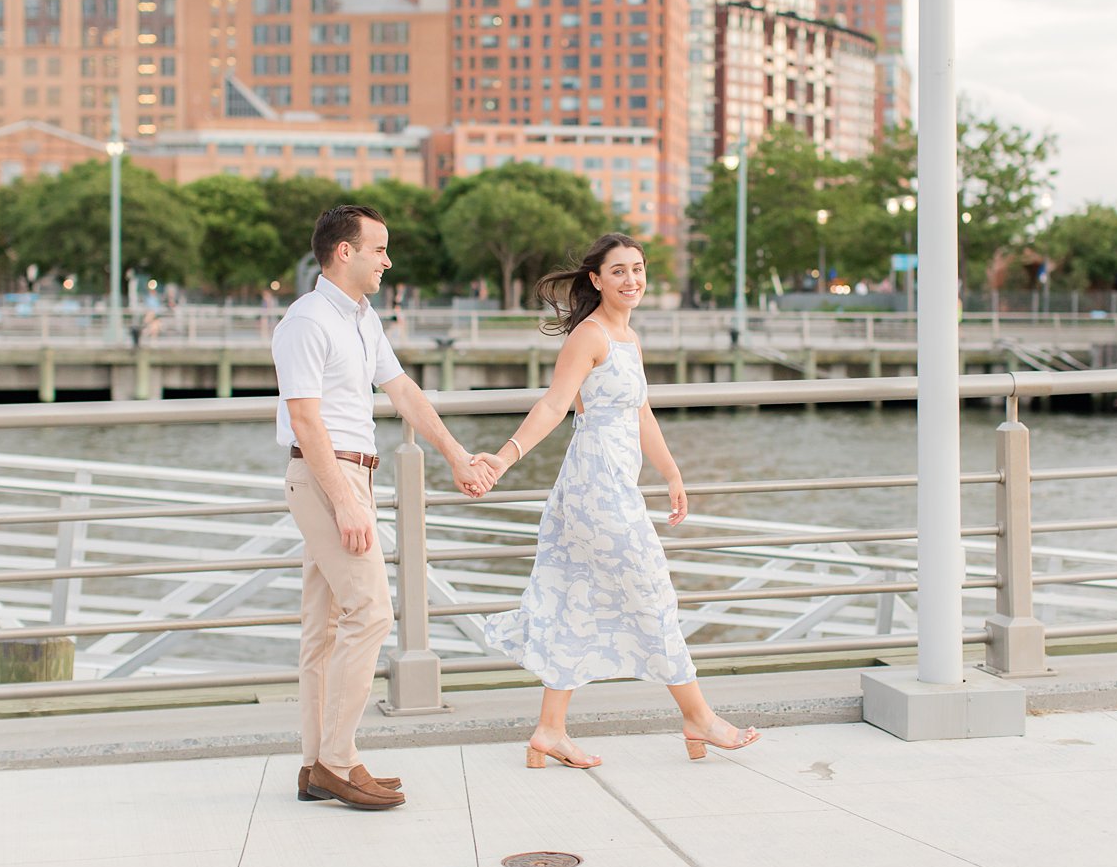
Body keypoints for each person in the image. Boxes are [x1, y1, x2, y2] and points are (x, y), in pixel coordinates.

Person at [479, 233, 761, 770]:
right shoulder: (589, 337)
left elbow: (642, 413)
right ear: (596, 280)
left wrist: (672, 474)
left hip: (616, 483)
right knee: (651, 590)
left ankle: (550, 730)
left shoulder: (628, 338)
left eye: (638, 269)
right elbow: (555, 405)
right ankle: (698, 716)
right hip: (595, 485)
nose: (631, 280)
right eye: (618, 271)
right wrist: (505, 456)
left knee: (575, 598)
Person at [273, 205, 498, 811]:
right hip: (326, 478)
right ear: (344, 252)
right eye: (379, 249)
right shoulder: (306, 320)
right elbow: (305, 419)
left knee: (324, 629)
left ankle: (314, 764)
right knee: (371, 613)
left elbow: (402, 392)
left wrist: (453, 454)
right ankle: (338, 763)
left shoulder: (361, 317)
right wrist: (346, 502)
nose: (387, 260)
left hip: (352, 475)